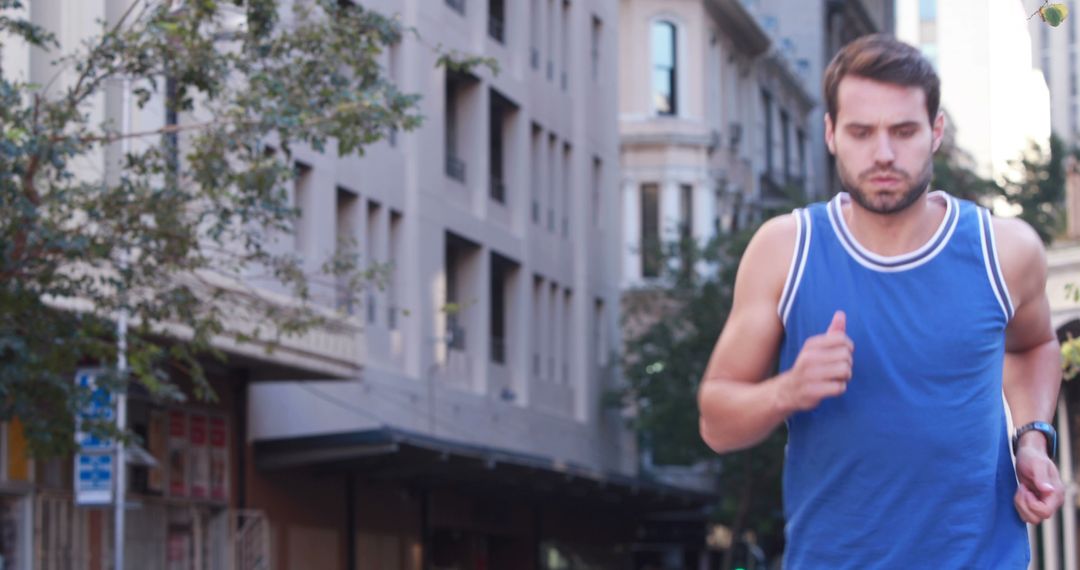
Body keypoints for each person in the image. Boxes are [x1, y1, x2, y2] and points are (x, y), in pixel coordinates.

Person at [697, 34, 1065, 567]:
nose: (884, 153)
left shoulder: (1003, 251)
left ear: (935, 132)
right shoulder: (786, 250)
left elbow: (1033, 347)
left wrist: (1032, 438)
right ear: (830, 134)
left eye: (904, 130)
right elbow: (716, 423)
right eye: (862, 132)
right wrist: (787, 389)